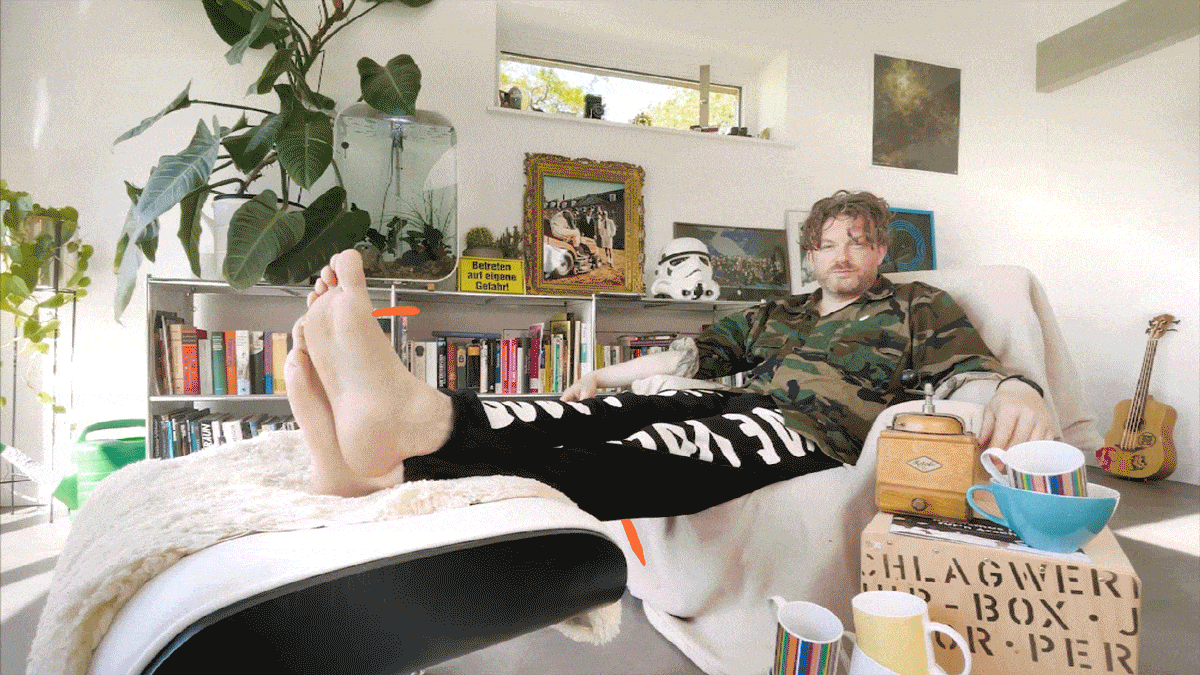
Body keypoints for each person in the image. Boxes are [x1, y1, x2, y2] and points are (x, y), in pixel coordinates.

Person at [284, 190, 1052, 520]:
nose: (843, 253)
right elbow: (692, 355)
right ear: (811, 254)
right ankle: (404, 431)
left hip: (809, 430)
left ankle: (398, 459)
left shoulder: (916, 305)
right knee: (584, 414)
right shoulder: (780, 311)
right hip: (734, 399)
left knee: (645, 448)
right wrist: (600, 376)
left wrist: (1020, 390)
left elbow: (973, 371)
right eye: (828, 242)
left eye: (859, 240)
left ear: (881, 248)